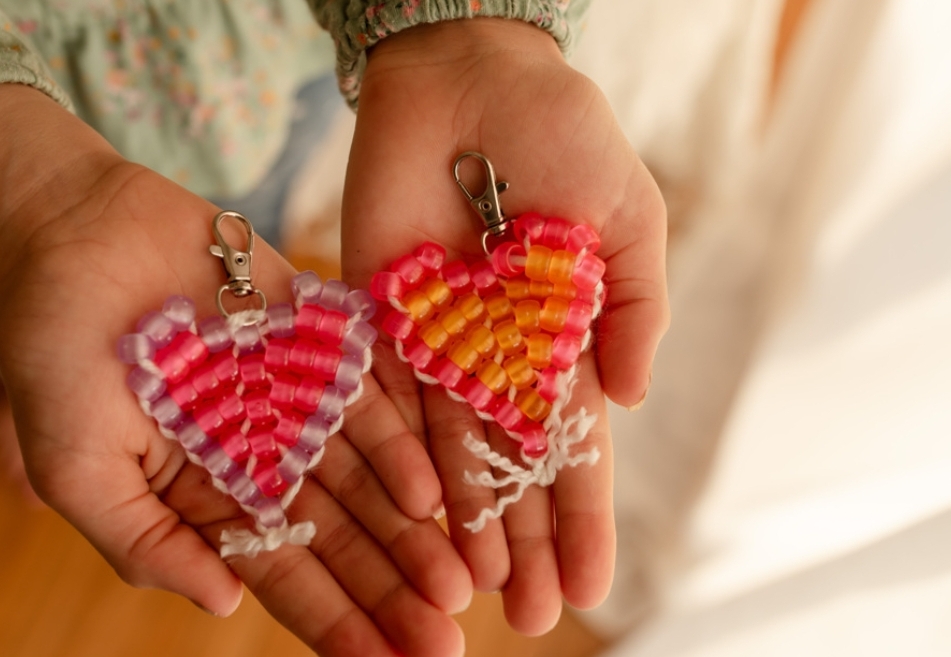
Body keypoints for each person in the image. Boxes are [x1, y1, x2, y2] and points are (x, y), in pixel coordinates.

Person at [0, 1, 669, 655]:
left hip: (254, 74)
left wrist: (466, 22)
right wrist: (26, 192)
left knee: (251, 200)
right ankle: (19, 369)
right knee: (57, 303)